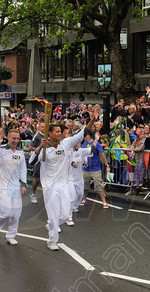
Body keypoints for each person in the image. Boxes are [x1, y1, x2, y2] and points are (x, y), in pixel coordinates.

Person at [36, 107, 99, 250]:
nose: (60, 134)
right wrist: (40, 148)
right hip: (50, 186)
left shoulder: (66, 144)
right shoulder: (45, 150)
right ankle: (52, 241)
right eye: (57, 132)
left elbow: (82, 133)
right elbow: (35, 160)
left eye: (61, 132)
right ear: (49, 133)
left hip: (63, 184)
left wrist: (93, 120)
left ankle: (52, 223)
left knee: (65, 215)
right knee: (53, 214)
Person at [0, 128, 28, 245]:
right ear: (8, 137)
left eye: (17, 138)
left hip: (16, 187)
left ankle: (11, 235)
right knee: (6, 212)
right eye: (13, 138)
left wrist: (24, 184)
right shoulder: (1, 149)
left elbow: (22, 170)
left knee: (16, 214)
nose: (15, 140)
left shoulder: (20, 152)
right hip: (3, 186)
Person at [81, 131, 110, 208]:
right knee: (85, 185)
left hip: (95, 168)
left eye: (85, 136)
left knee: (99, 185)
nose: (85, 138)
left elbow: (102, 154)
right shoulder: (84, 144)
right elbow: (82, 155)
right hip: (86, 168)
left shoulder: (97, 143)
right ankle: (84, 199)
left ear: (89, 136)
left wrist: (107, 165)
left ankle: (104, 202)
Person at [27, 122, 46, 203]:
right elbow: (30, 147)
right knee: (37, 178)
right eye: (42, 127)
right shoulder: (37, 136)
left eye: (45, 126)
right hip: (39, 160)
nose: (44, 128)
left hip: (47, 160)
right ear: (39, 128)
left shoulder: (48, 135)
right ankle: (33, 194)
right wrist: (38, 150)